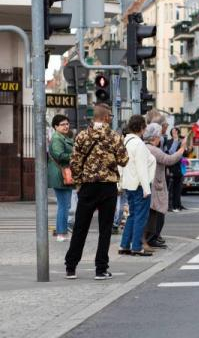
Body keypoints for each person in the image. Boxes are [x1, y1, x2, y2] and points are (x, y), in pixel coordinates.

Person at [65, 104, 129, 280]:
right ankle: (101, 269)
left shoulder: (82, 136)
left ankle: (71, 267)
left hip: (87, 186)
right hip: (107, 186)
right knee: (105, 228)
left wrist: (79, 183)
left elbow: (75, 162)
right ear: (107, 117)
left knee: (80, 227)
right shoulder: (114, 137)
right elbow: (124, 160)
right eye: (111, 116)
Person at [144, 123, 186, 250]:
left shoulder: (147, 147)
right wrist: (182, 149)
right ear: (154, 137)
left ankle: (153, 238)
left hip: (154, 183)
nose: (160, 139)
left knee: (157, 212)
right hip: (156, 184)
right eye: (159, 136)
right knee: (157, 212)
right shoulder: (152, 149)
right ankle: (152, 238)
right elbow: (169, 159)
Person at [118, 115, 156, 256]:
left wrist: (120, 183)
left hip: (129, 184)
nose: (145, 129)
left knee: (132, 215)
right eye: (144, 127)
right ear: (141, 127)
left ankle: (124, 245)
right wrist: (147, 188)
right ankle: (136, 247)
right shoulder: (139, 144)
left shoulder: (125, 142)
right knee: (140, 217)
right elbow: (142, 168)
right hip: (140, 185)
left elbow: (120, 165)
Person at [48, 115, 74, 241]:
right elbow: (59, 155)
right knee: (64, 205)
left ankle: (61, 232)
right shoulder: (57, 138)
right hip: (61, 175)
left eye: (67, 124)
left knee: (65, 205)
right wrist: (75, 155)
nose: (66, 126)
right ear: (56, 126)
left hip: (63, 174)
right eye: (63, 124)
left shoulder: (63, 137)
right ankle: (61, 233)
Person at [165, 127, 185, 212]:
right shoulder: (168, 142)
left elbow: (184, 153)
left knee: (178, 188)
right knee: (171, 188)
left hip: (178, 167)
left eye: (176, 131)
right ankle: (171, 205)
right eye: (173, 131)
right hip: (171, 166)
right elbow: (169, 153)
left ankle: (177, 204)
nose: (175, 133)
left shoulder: (181, 142)